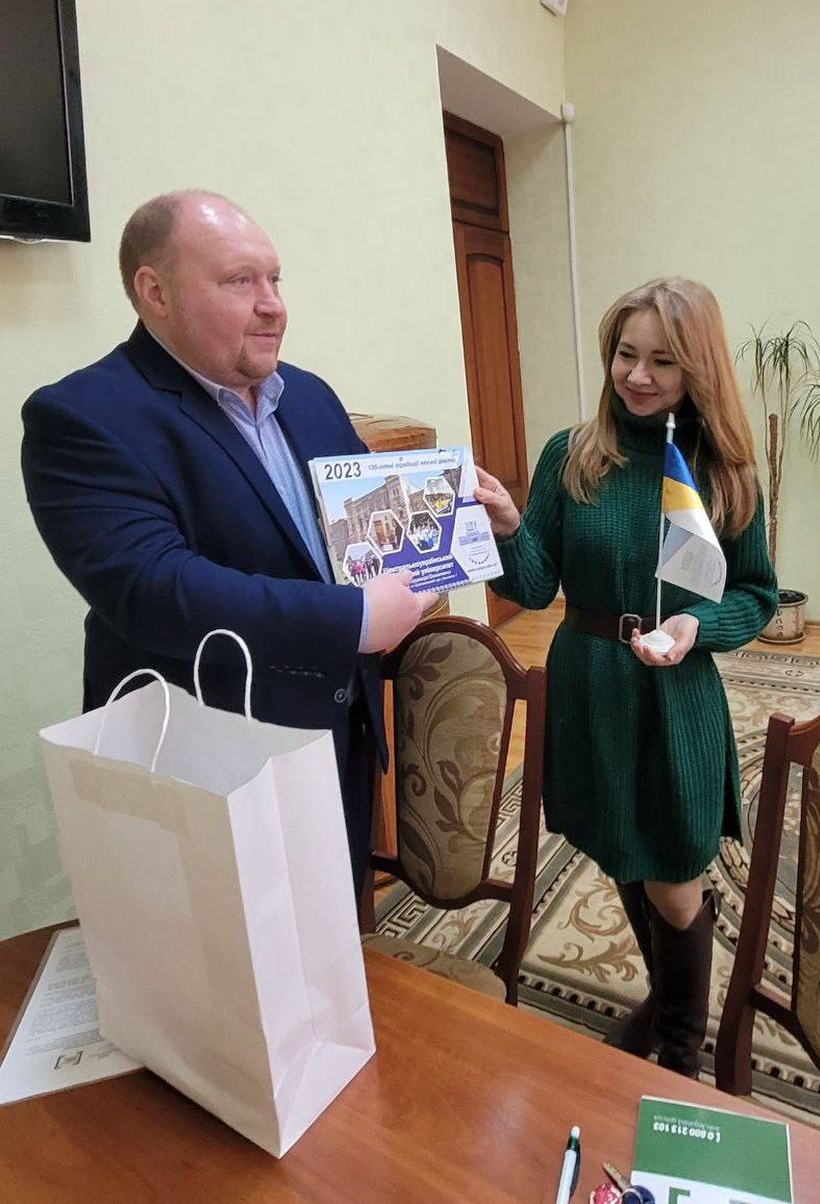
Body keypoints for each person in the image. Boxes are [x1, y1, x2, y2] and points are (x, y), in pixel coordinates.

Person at [21, 190, 437, 902]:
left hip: (337, 730)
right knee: (213, 956)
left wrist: (459, 523)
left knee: (330, 927)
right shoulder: (83, 416)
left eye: (274, 278)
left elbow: (360, 532)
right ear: (154, 291)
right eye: (240, 281)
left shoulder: (310, 396)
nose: (273, 305)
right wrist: (356, 619)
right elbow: (151, 586)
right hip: (201, 759)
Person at [474, 277, 778, 1077]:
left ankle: (679, 1051)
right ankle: (666, 1003)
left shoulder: (722, 470)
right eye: (625, 354)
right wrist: (508, 526)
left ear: (698, 369)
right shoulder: (571, 454)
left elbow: (756, 593)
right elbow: (533, 584)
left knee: (673, 873)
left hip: (676, 692)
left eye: (662, 361)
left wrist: (697, 626)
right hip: (589, 686)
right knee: (620, 852)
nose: (637, 375)